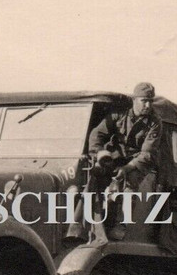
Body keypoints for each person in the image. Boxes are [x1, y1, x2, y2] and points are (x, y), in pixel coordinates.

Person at [65, 82, 163, 243]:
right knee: (94, 176)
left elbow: (148, 153)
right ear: (134, 100)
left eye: (150, 101)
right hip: (117, 157)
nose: (148, 105)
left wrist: (127, 168)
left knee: (129, 185)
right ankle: (77, 227)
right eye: (144, 100)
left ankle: (120, 225)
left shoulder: (155, 122)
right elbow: (97, 134)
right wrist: (99, 153)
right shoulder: (118, 115)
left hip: (139, 161)